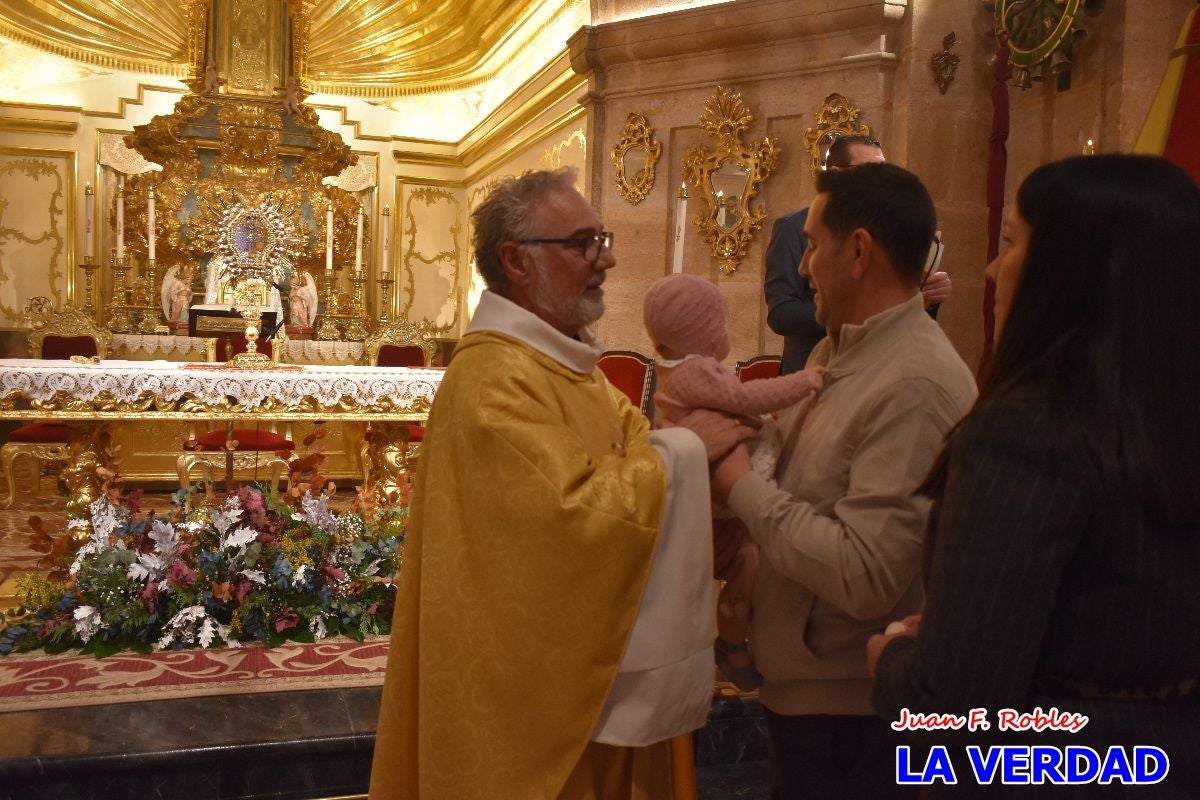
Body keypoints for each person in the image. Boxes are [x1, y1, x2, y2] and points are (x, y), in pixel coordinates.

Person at [367, 168, 757, 800]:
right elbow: (568, 515)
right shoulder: (492, 380)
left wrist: (680, 452)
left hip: (595, 684)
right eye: (583, 243)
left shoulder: (567, 365)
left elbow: (635, 447)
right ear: (516, 261)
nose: (606, 257)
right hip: (524, 709)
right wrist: (685, 450)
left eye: (600, 238)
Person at [868, 154, 1200, 797]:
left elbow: (954, 716)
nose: (993, 269)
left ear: (1071, 271)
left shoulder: (1030, 430)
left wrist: (895, 661)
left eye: (1013, 241)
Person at [684, 163, 977, 797]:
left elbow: (867, 573)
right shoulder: (831, 353)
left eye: (812, 245)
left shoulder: (914, 383)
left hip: (857, 723)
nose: (803, 266)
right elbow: (800, 500)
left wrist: (739, 484)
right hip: (808, 699)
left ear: (860, 251)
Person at [641, 273, 825, 691]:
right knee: (747, 564)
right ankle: (731, 642)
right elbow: (746, 399)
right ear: (702, 331)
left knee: (749, 562)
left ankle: (734, 639)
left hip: (714, 492)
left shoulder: (682, 369)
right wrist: (804, 381)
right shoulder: (696, 370)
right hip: (719, 496)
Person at [764, 135, 953, 373]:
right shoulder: (793, 227)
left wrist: (929, 296)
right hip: (810, 369)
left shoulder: (887, 228)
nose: (880, 182)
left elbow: (898, 302)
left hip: (877, 366)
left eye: (883, 171)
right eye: (869, 171)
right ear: (837, 176)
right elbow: (781, 314)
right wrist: (860, 313)